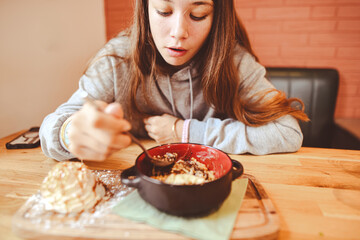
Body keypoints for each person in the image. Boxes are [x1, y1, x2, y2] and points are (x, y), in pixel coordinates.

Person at [39, 0, 309, 162]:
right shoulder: (117, 59)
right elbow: (56, 124)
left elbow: (288, 132)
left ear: (217, 17)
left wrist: (184, 132)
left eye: (198, 15)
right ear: (145, 9)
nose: (179, 32)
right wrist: (69, 134)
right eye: (164, 11)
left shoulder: (235, 62)